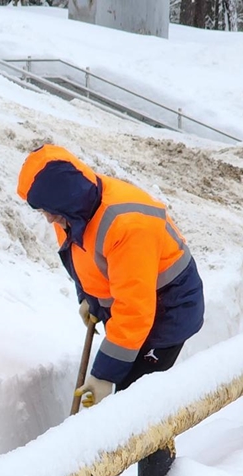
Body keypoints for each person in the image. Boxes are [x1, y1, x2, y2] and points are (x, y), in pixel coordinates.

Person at [17, 144, 204, 408]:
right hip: (137, 306)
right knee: (129, 398)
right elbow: (83, 260)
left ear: (66, 200)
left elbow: (135, 312)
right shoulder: (70, 214)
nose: (48, 219)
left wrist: (103, 376)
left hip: (170, 308)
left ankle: (156, 451)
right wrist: (88, 299)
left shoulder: (127, 224)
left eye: (50, 211)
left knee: (137, 406)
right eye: (43, 211)